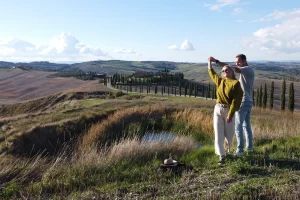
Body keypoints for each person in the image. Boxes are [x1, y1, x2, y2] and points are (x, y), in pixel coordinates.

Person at [210, 54, 255, 156]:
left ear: (244, 61)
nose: (237, 64)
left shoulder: (247, 69)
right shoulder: (247, 71)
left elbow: (230, 68)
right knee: (246, 126)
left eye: (239, 62)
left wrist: (216, 61)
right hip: (249, 102)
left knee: (238, 126)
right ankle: (250, 148)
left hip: (243, 102)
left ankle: (240, 151)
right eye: (236, 62)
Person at [207, 57, 243, 164]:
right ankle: (222, 156)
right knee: (218, 134)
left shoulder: (236, 84)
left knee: (229, 134)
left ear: (232, 71)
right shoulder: (220, 81)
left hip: (228, 110)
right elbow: (211, 73)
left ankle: (228, 151)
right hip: (217, 109)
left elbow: (236, 101)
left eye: (227, 69)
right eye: (223, 70)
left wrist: (230, 114)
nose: (224, 71)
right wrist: (209, 62)